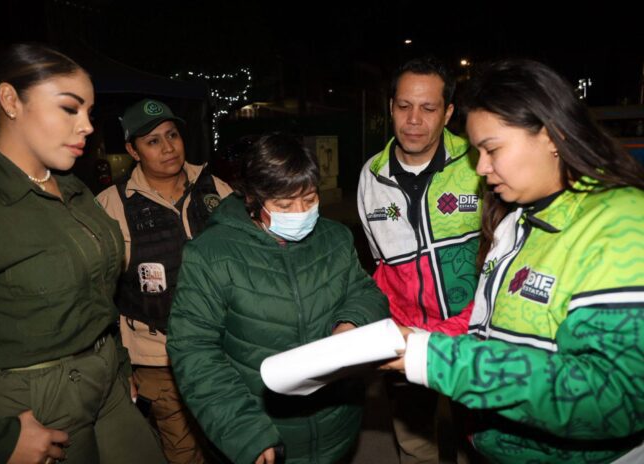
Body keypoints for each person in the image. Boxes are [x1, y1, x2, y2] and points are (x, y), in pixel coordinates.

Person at [389, 59, 644, 463]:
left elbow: (618, 397)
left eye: (492, 149)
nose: (481, 167)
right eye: (477, 152)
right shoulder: (515, 220)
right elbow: (491, 328)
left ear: (552, 135)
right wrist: (419, 341)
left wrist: (440, 360)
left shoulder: (623, 224)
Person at [0, 43, 166, 464]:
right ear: (11, 100)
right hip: (29, 403)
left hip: (105, 380)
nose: (87, 126)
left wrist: (118, 366)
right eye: (69, 108)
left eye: (89, 111)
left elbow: (99, 293)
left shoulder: (73, 188)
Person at [167, 133, 389, 464]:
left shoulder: (335, 238)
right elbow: (193, 350)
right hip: (267, 431)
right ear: (252, 199)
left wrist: (351, 323)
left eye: (310, 199)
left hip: (336, 426)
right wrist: (246, 434)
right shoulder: (210, 255)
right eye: (284, 205)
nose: (300, 212)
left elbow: (364, 291)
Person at [357, 57, 483, 462]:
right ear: (390, 107)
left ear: (447, 112)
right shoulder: (371, 176)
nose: (414, 120)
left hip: (473, 334)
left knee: (478, 443)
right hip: (405, 339)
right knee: (415, 446)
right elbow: (382, 265)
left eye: (428, 108)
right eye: (404, 106)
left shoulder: (479, 164)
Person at [97, 98, 232, 463]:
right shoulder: (111, 205)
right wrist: (120, 365)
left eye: (172, 135)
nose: (168, 147)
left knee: (234, 442)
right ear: (132, 150)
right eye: (153, 141)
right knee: (183, 452)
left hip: (222, 348)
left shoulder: (216, 189)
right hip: (158, 358)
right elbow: (98, 296)